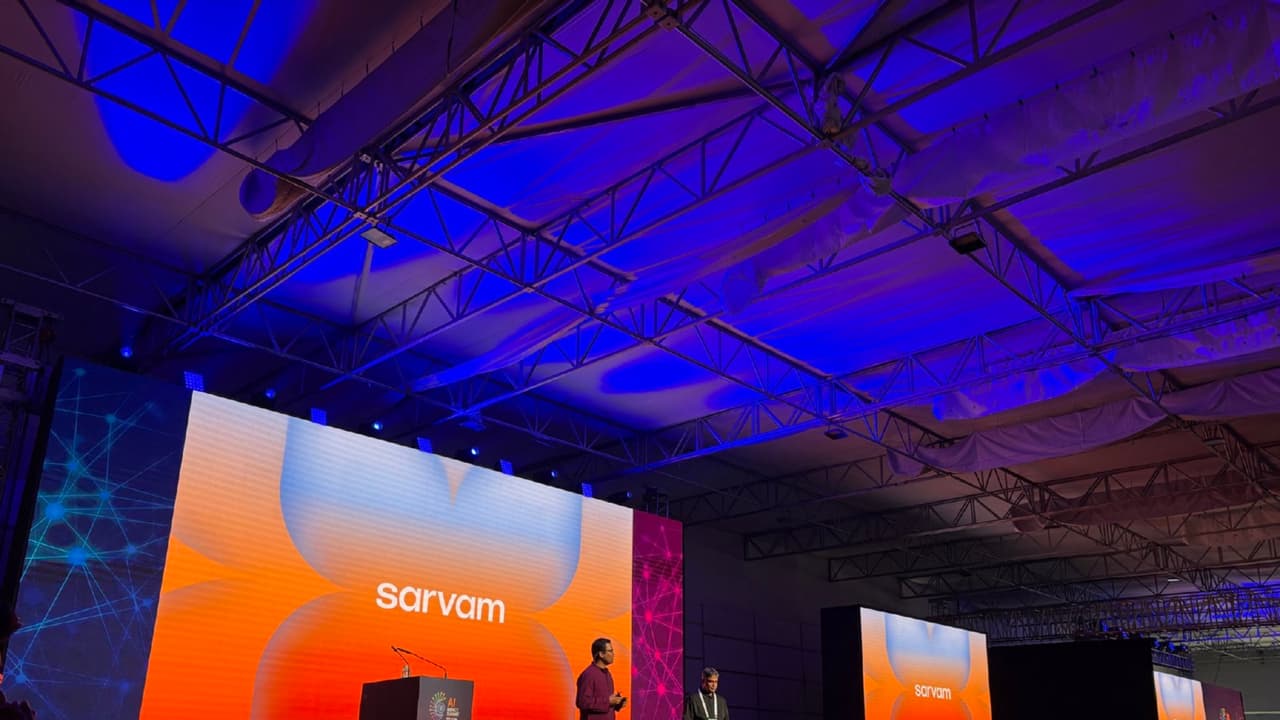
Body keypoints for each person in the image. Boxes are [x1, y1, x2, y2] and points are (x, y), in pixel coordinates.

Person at [575, 637, 626, 719]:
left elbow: (605, 704)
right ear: (601, 654)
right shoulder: (589, 674)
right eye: (610, 651)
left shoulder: (607, 674)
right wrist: (608, 701)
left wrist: (616, 703)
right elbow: (583, 702)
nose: (613, 654)